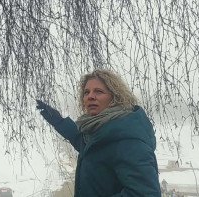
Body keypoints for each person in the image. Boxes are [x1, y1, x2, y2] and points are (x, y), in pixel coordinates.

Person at [36, 69, 160, 197]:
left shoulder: (128, 141)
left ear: (115, 97)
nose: (90, 96)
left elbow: (145, 194)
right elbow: (87, 145)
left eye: (99, 91)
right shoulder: (102, 131)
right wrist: (59, 122)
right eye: (86, 92)